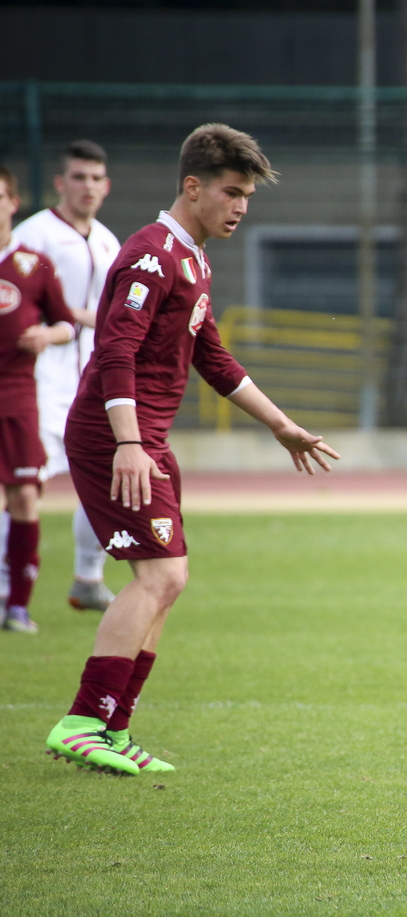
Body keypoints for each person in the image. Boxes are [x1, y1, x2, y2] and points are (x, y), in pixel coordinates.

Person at [45, 124, 340, 776]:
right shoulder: (152, 255)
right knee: (161, 575)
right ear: (193, 186)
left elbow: (211, 355)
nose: (240, 207)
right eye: (231, 192)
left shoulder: (194, 259)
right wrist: (127, 443)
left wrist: (279, 424)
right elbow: (114, 350)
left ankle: (112, 730)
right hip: (113, 435)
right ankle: (84, 722)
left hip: (145, 437)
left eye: (248, 197)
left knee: (167, 581)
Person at [6, 140, 121, 614]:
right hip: (42, 378)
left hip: (94, 379)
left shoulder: (109, 240)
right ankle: (8, 589)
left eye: (96, 178)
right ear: (60, 183)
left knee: (109, 476)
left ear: (107, 185)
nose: (88, 187)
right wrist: (88, 317)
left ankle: (87, 577)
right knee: (24, 487)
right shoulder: (35, 236)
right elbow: (29, 300)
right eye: (78, 177)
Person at [0, 166, 76, 634]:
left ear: (13, 202)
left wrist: (46, 334)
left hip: (18, 395)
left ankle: (18, 607)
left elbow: (69, 323)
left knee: (26, 495)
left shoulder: (33, 263)